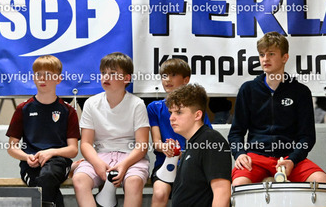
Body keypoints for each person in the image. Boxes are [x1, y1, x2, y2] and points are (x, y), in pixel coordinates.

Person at [228, 31, 326, 186]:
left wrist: (293, 160)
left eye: (271, 54)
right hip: (256, 157)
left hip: (289, 157)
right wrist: (239, 154)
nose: (265, 59)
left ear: (285, 57)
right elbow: (236, 132)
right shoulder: (248, 89)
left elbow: (307, 137)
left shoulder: (300, 91)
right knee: (238, 185)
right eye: (262, 54)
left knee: (323, 181)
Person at [72, 52, 149, 207]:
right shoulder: (91, 103)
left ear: (126, 78)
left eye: (113, 73)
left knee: (134, 182)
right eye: (103, 73)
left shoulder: (137, 104)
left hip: (130, 156)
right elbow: (86, 143)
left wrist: (124, 165)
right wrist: (97, 164)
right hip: (100, 155)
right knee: (79, 179)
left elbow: (142, 145)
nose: (106, 77)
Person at [6, 55, 79, 207]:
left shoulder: (68, 110)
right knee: (44, 185)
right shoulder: (23, 109)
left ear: (58, 79)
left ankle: (68, 168)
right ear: (33, 78)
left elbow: (73, 150)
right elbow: (12, 147)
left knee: (47, 178)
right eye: (38, 74)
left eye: (48, 74)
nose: (42, 78)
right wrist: (26, 157)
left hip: (58, 161)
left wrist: (51, 152)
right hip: (31, 164)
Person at [147, 58, 212, 207]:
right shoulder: (154, 108)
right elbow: (156, 142)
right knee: (159, 193)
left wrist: (186, 153)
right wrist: (165, 148)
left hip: (192, 164)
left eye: (173, 75)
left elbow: (205, 139)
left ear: (186, 80)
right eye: (164, 75)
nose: (167, 79)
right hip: (164, 163)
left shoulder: (195, 108)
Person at [166, 83, 232, 207]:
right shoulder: (192, 144)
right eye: (171, 113)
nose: (171, 118)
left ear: (197, 115)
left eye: (179, 112)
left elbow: (222, 193)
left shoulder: (211, 141)